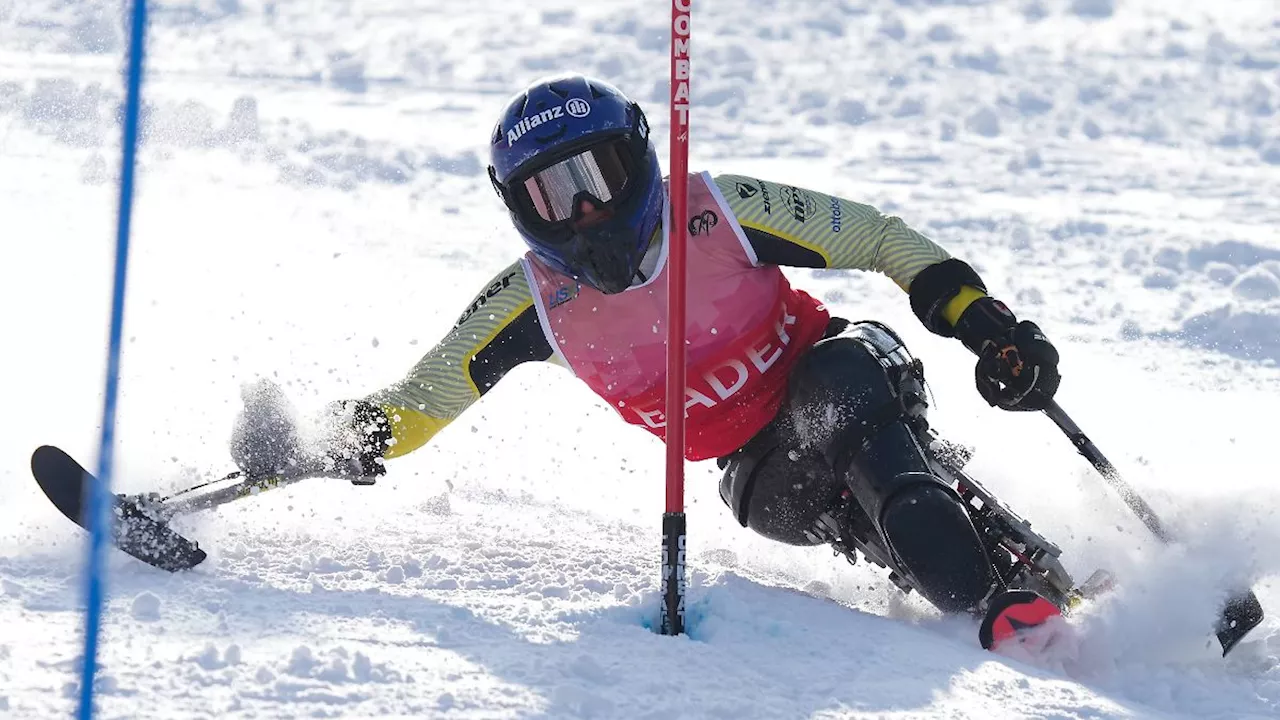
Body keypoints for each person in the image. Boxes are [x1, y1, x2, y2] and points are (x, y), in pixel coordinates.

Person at [231, 74, 1063, 643]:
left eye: (600, 175)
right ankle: (984, 582)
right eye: (554, 196)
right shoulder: (531, 303)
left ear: (642, 159)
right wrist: (322, 441)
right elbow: (421, 399)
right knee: (831, 490)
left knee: (841, 413)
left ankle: (994, 608)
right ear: (517, 209)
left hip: (844, 369)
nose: (586, 210)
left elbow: (879, 240)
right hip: (755, 471)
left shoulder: (719, 212)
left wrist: (983, 324)